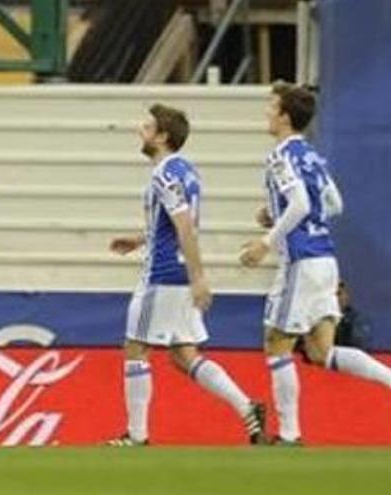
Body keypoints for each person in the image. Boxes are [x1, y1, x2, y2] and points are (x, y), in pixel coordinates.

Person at [239, 81, 391, 445]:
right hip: (326, 259)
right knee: (321, 352)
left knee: (277, 342)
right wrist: (276, 213)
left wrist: (266, 241)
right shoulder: (311, 155)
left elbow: (303, 206)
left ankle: (290, 435)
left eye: (271, 107)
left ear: (285, 116)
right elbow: (333, 204)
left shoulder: (280, 155)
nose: (267, 113)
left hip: (301, 262)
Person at [108, 104, 267, 446]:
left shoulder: (163, 174)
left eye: (148, 127)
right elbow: (175, 224)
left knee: (136, 348)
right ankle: (247, 407)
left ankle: (136, 436)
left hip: (163, 274)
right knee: (184, 355)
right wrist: (138, 239)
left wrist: (200, 278)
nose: (141, 130)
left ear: (163, 136)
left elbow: (184, 227)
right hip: (177, 269)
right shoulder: (186, 171)